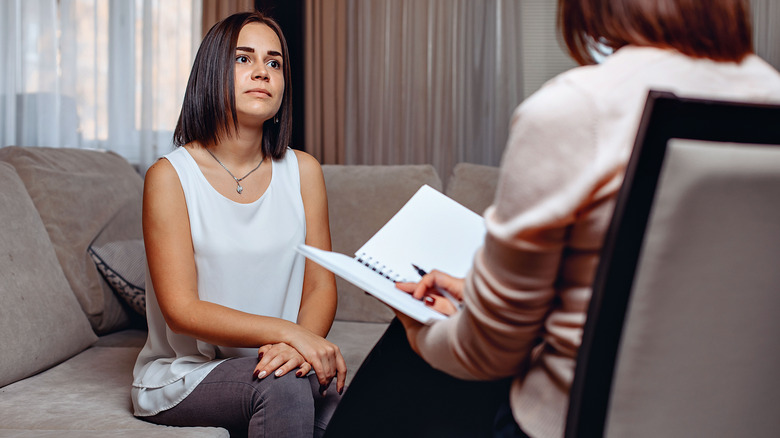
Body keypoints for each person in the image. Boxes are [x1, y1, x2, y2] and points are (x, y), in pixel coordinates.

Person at [323, 1, 780, 437]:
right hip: (742, 421)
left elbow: (485, 355)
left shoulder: (577, 108)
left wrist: (417, 324)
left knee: (402, 365)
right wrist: (484, 298)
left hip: (576, 423)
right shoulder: (770, 92)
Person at [131, 11, 346, 438]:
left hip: (281, 360)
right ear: (212, 72)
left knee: (343, 396)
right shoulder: (170, 177)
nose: (262, 73)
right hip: (188, 374)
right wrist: (290, 334)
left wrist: (292, 347)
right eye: (243, 59)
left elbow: (320, 286)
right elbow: (181, 310)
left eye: (274, 63)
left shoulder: (304, 171)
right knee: (283, 386)